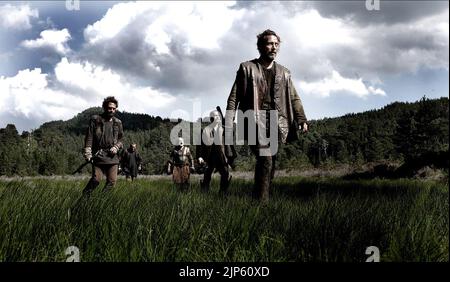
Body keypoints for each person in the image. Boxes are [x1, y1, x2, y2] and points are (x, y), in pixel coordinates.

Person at [225, 29, 308, 203]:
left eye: (277, 44)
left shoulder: (285, 72)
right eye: (270, 44)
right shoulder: (247, 68)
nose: (274, 47)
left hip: (277, 122)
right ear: (261, 46)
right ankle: (262, 204)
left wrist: (301, 119)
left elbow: (294, 97)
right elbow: (234, 97)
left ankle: (258, 197)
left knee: (270, 163)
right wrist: (229, 122)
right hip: (253, 120)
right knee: (266, 158)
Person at [82, 96, 124, 195]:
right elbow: (89, 137)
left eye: (114, 108)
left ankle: (102, 201)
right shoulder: (95, 120)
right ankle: (85, 197)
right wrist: (88, 153)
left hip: (113, 157)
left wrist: (116, 147)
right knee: (96, 180)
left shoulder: (118, 122)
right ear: (105, 107)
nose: (112, 110)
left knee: (112, 182)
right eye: (110, 108)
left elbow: (121, 139)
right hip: (99, 155)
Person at [196, 110, 232, 193]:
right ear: (211, 118)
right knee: (207, 176)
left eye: (218, 115)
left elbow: (228, 145)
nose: (218, 117)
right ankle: (204, 193)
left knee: (225, 174)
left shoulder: (224, 130)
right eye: (216, 116)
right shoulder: (205, 130)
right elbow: (199, 145)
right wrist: (200, 156)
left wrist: (229, 157)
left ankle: (223, 194)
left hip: (221, 157)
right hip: (209, 157)